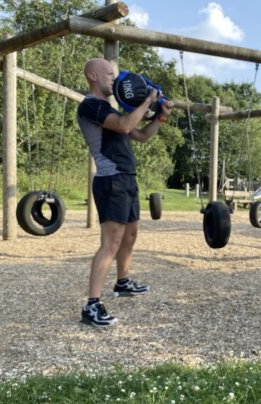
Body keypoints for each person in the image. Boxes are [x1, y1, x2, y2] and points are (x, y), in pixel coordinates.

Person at [77, 58, 174, 327]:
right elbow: (124, 126)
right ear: (93, 76)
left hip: (127, 178)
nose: (114, 78)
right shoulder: (90, 106)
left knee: (130, 235)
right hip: (111, 180)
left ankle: (122, 282)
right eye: (109, 74)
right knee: (111, 242)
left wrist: (161, 115)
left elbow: (141, 135)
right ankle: (92, 305)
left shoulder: (111, 110)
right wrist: (147, 100)